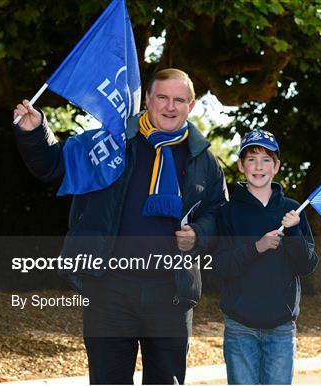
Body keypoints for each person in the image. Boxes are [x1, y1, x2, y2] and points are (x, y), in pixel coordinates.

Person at [13, 68, 227, 384]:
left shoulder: (204, 161)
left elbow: (220, 217)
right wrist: (35, 132)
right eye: (163, 97)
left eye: (179, 100)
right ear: (148, 100)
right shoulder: (111, 142)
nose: (170, 106)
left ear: (191, 106)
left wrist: (199, 235)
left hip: (171, 292)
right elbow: (55, 165)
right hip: (108, 288)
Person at [212, 129, 318, 384]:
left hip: (281, 327)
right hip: (240, 326)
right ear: (240, 165)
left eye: (266, 159)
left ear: (276, 166)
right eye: (251, 159)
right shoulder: (226, 213)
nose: (258, 166)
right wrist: (256, 247)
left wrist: (293, 233)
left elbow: (307, 265)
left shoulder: (292, 210)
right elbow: (219, 266)